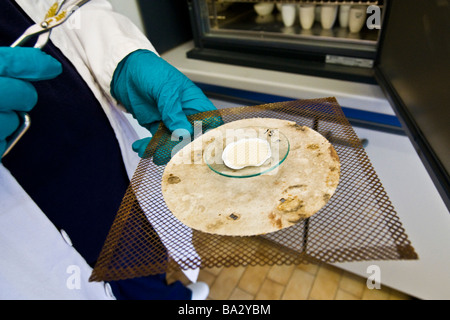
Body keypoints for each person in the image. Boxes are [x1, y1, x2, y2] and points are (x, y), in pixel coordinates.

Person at [0, 0, 216, 299]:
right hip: (22, 216)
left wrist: (121, 57)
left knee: (136, 246)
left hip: (98, 156)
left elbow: (62, 8)